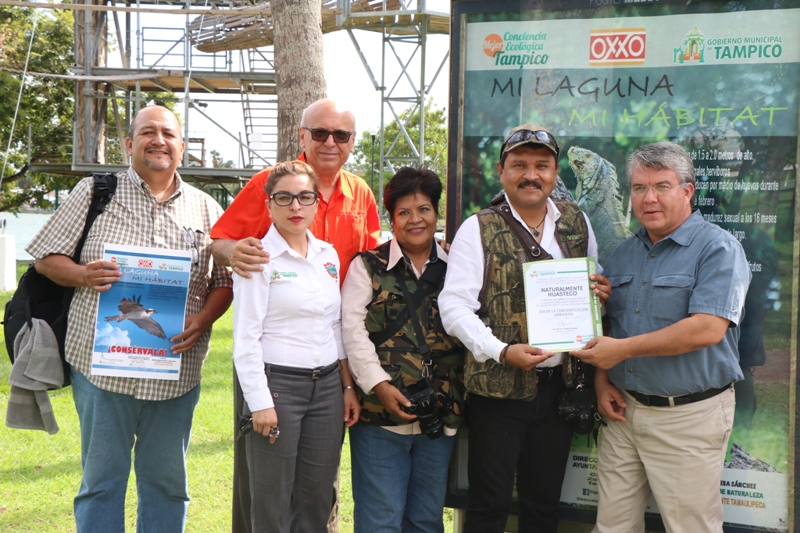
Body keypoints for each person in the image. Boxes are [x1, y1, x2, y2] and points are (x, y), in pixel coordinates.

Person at [26, 105, 233, 532]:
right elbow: (47, 259)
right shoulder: (94, 191)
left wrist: (205, 319)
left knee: (167, 486)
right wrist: (83, 273)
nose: (159, 140)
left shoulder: (207, 209)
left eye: (169, 134)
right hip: (103, 372)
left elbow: (224, 282)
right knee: (101, 484)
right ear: (129, 143)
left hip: (176, 374)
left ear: (181, 146)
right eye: (148, 132)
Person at [210, 98, 380, 532]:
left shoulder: (359, 192)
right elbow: (221, 240)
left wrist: (440, 252)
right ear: (302, 136)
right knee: (264, 489)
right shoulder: (268, 185)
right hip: (273, 367)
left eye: (340, 135)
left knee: (317, 492)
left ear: (352, 142)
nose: (329, 142)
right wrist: (237, 253)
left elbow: (378, 253)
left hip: (331, 360)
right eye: (319, 132)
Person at [570, 141, 750, 532]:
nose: (648, 198)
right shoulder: (621, 256)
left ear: (687, 191)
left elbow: (707, 327)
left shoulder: (718, 248)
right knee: (613, 527)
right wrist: (602, 382)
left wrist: (622, 350)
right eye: (639, 188)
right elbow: (611, 328)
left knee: (691, 527)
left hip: (688, 417)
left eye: (661, 186)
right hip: (623, 414)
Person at [438, 124, 610, 533]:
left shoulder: (576, 222)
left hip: (558, 391)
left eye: (542, 165)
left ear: (554, 173)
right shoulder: (477, 228)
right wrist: (500, 351)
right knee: (488, 507)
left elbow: (591, 281)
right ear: (502, 171)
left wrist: (599, 290)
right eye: (519, 165)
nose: (531, 174)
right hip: (497, 393)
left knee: (542, 507)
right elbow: (453, 306)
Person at [232, 160, 359, 532]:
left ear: (317, 202)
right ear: (269, 205)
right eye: (284, 198)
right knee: (271, 501)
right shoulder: (258, 257)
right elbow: (245, 338)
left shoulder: (328, 256)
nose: (295, 207)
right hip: (278, 389)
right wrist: (261, 403)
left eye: (304, 197)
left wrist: (347, 386)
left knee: (317, 498)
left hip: (326, 390)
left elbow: (335, 325)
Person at [342, 167, 465, 533]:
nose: (416, 220)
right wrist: (378, 385)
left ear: (437, 213)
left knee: (426, 521)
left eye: (424, 209)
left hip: (441, 412)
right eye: (405, 212)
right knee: (380, 521)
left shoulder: (458, 267)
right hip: (380, 415)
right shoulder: (367, 266)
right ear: (391, 217)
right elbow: (351, 330)